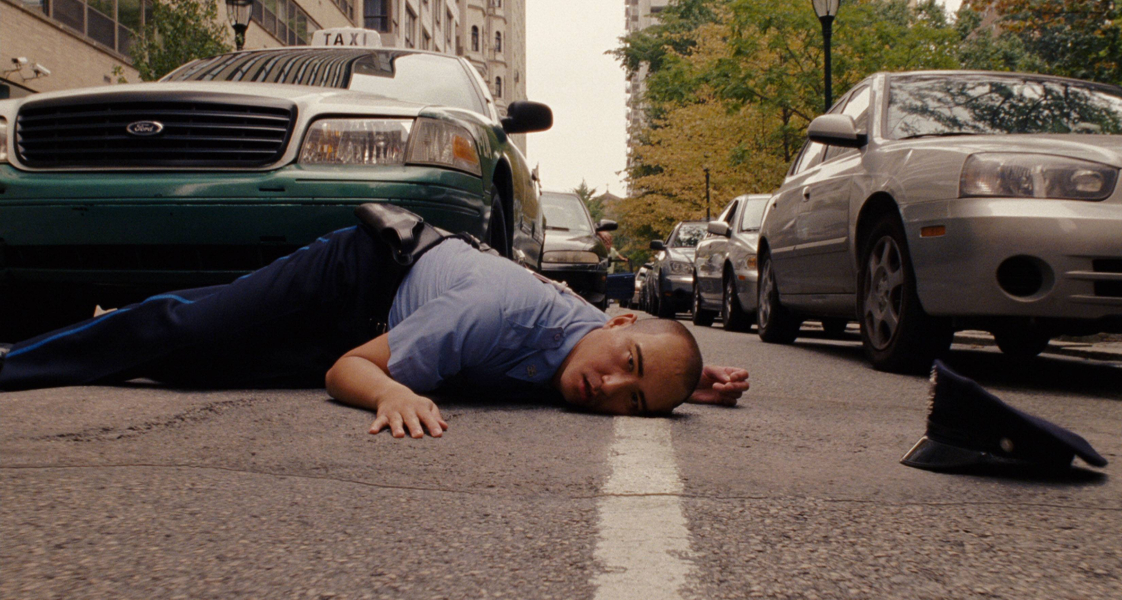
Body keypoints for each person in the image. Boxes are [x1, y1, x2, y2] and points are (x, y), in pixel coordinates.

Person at [0, 215, 749, 439]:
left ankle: (97, 321)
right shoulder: (498, 313)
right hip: (357, 279)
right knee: (183, 331)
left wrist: (681, 380)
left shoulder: (603, 338)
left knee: (193, 366)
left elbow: (644, 360)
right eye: (626, 364)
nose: (608, 387)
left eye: (633, 402)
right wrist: (389, 392)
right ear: (621, 321)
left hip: (391, 318)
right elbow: (347, 370)